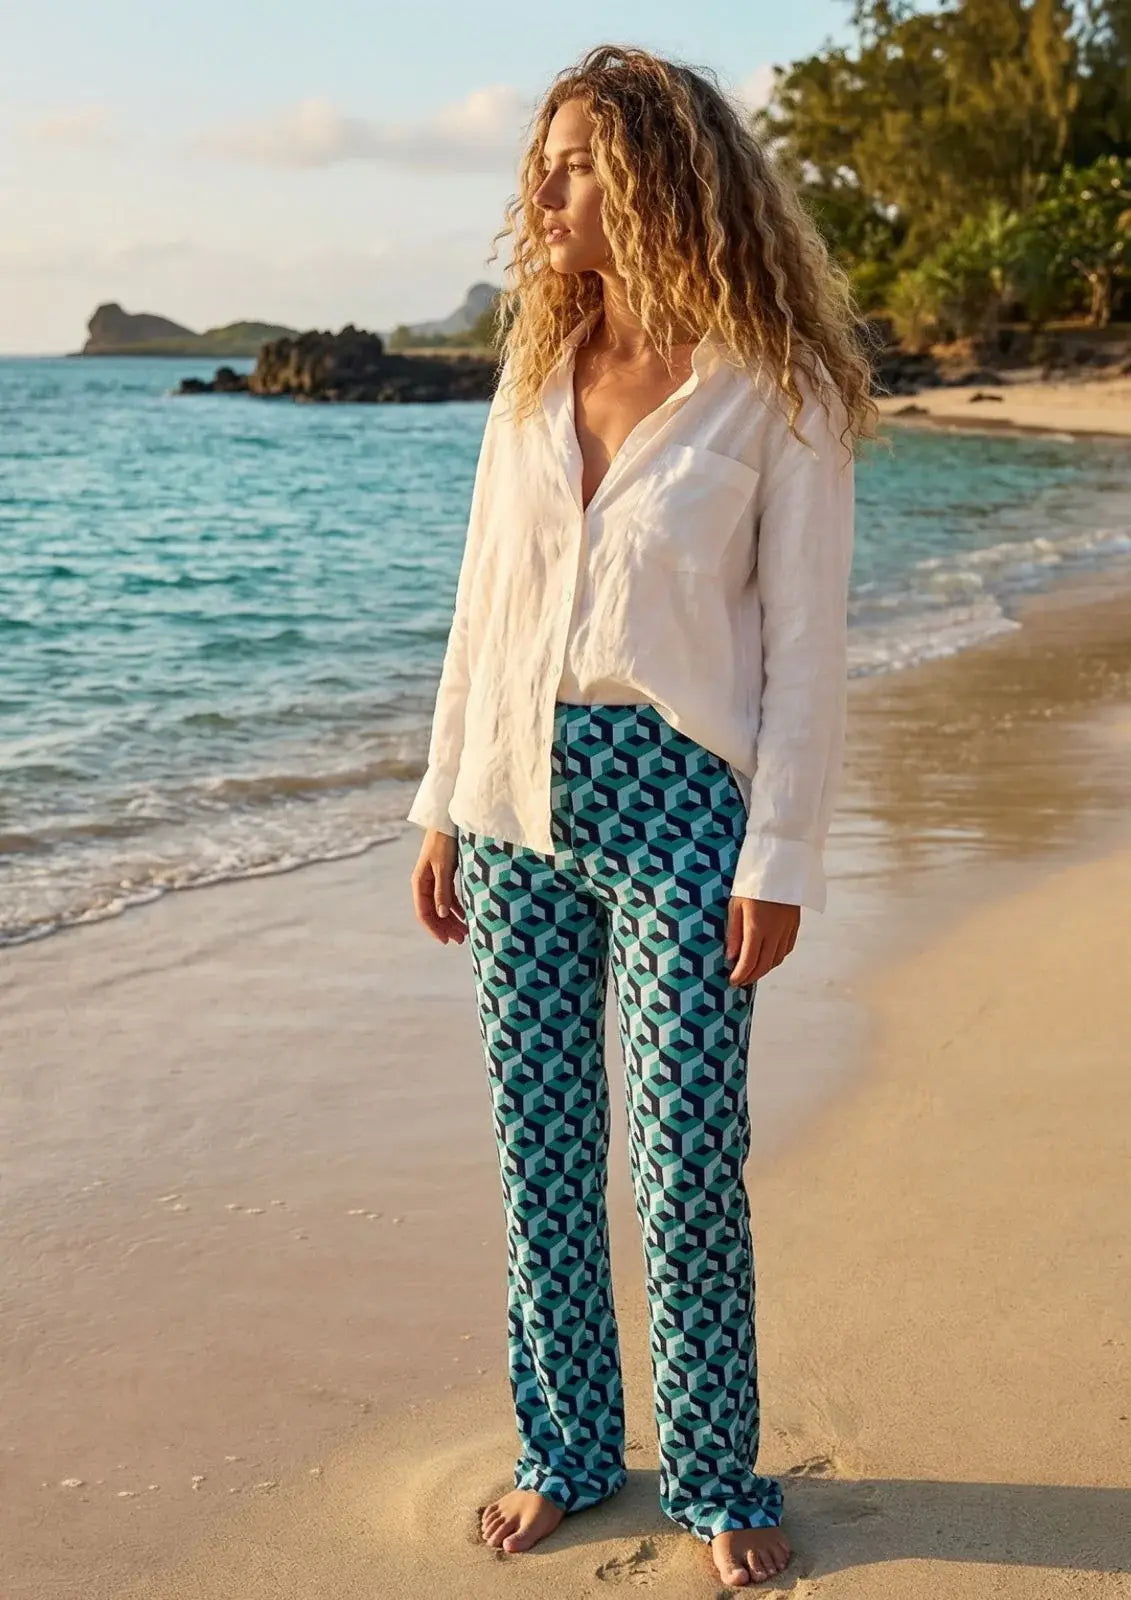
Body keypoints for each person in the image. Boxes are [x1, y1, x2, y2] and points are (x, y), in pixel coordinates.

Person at [407, 43, 876, 1589]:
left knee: (683, 1161)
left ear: (667, 179)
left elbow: (805, 647)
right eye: (541, 162)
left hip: (686, 808)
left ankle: (721, 1470)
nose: (544, 187)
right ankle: (566, 1448)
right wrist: (438, 803)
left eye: (581, 162)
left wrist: (782, 856)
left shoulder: (781, 388)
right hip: (514, 801)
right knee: (538, 1153)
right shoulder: (534, 365)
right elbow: (486, 603)